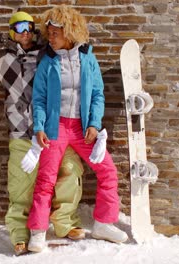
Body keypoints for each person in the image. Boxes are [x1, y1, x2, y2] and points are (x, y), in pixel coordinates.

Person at [0, 11, 85, 256]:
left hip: (52, 128)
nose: (26, 32)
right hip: (21, 130)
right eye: (21, 27)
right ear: (12, 30)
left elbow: (72, 61)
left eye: (30, 27)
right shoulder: (1, 57)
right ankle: (19, 235)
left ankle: (65, 222)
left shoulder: (48, 53)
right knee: (20, 186)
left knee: (70, 171)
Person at [25, 5, 129, 252]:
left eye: (55, 33)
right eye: (48, 32)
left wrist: (94, 123)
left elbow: (97, 95)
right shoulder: (48, 62)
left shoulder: (88, 59)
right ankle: (38, 231)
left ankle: (104, 223)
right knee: (46, 179)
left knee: (108, 171)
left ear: (70, 32)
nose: (50, 37)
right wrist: (39, 126)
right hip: (55, 127)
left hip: (82, 129)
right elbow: (38, 98)